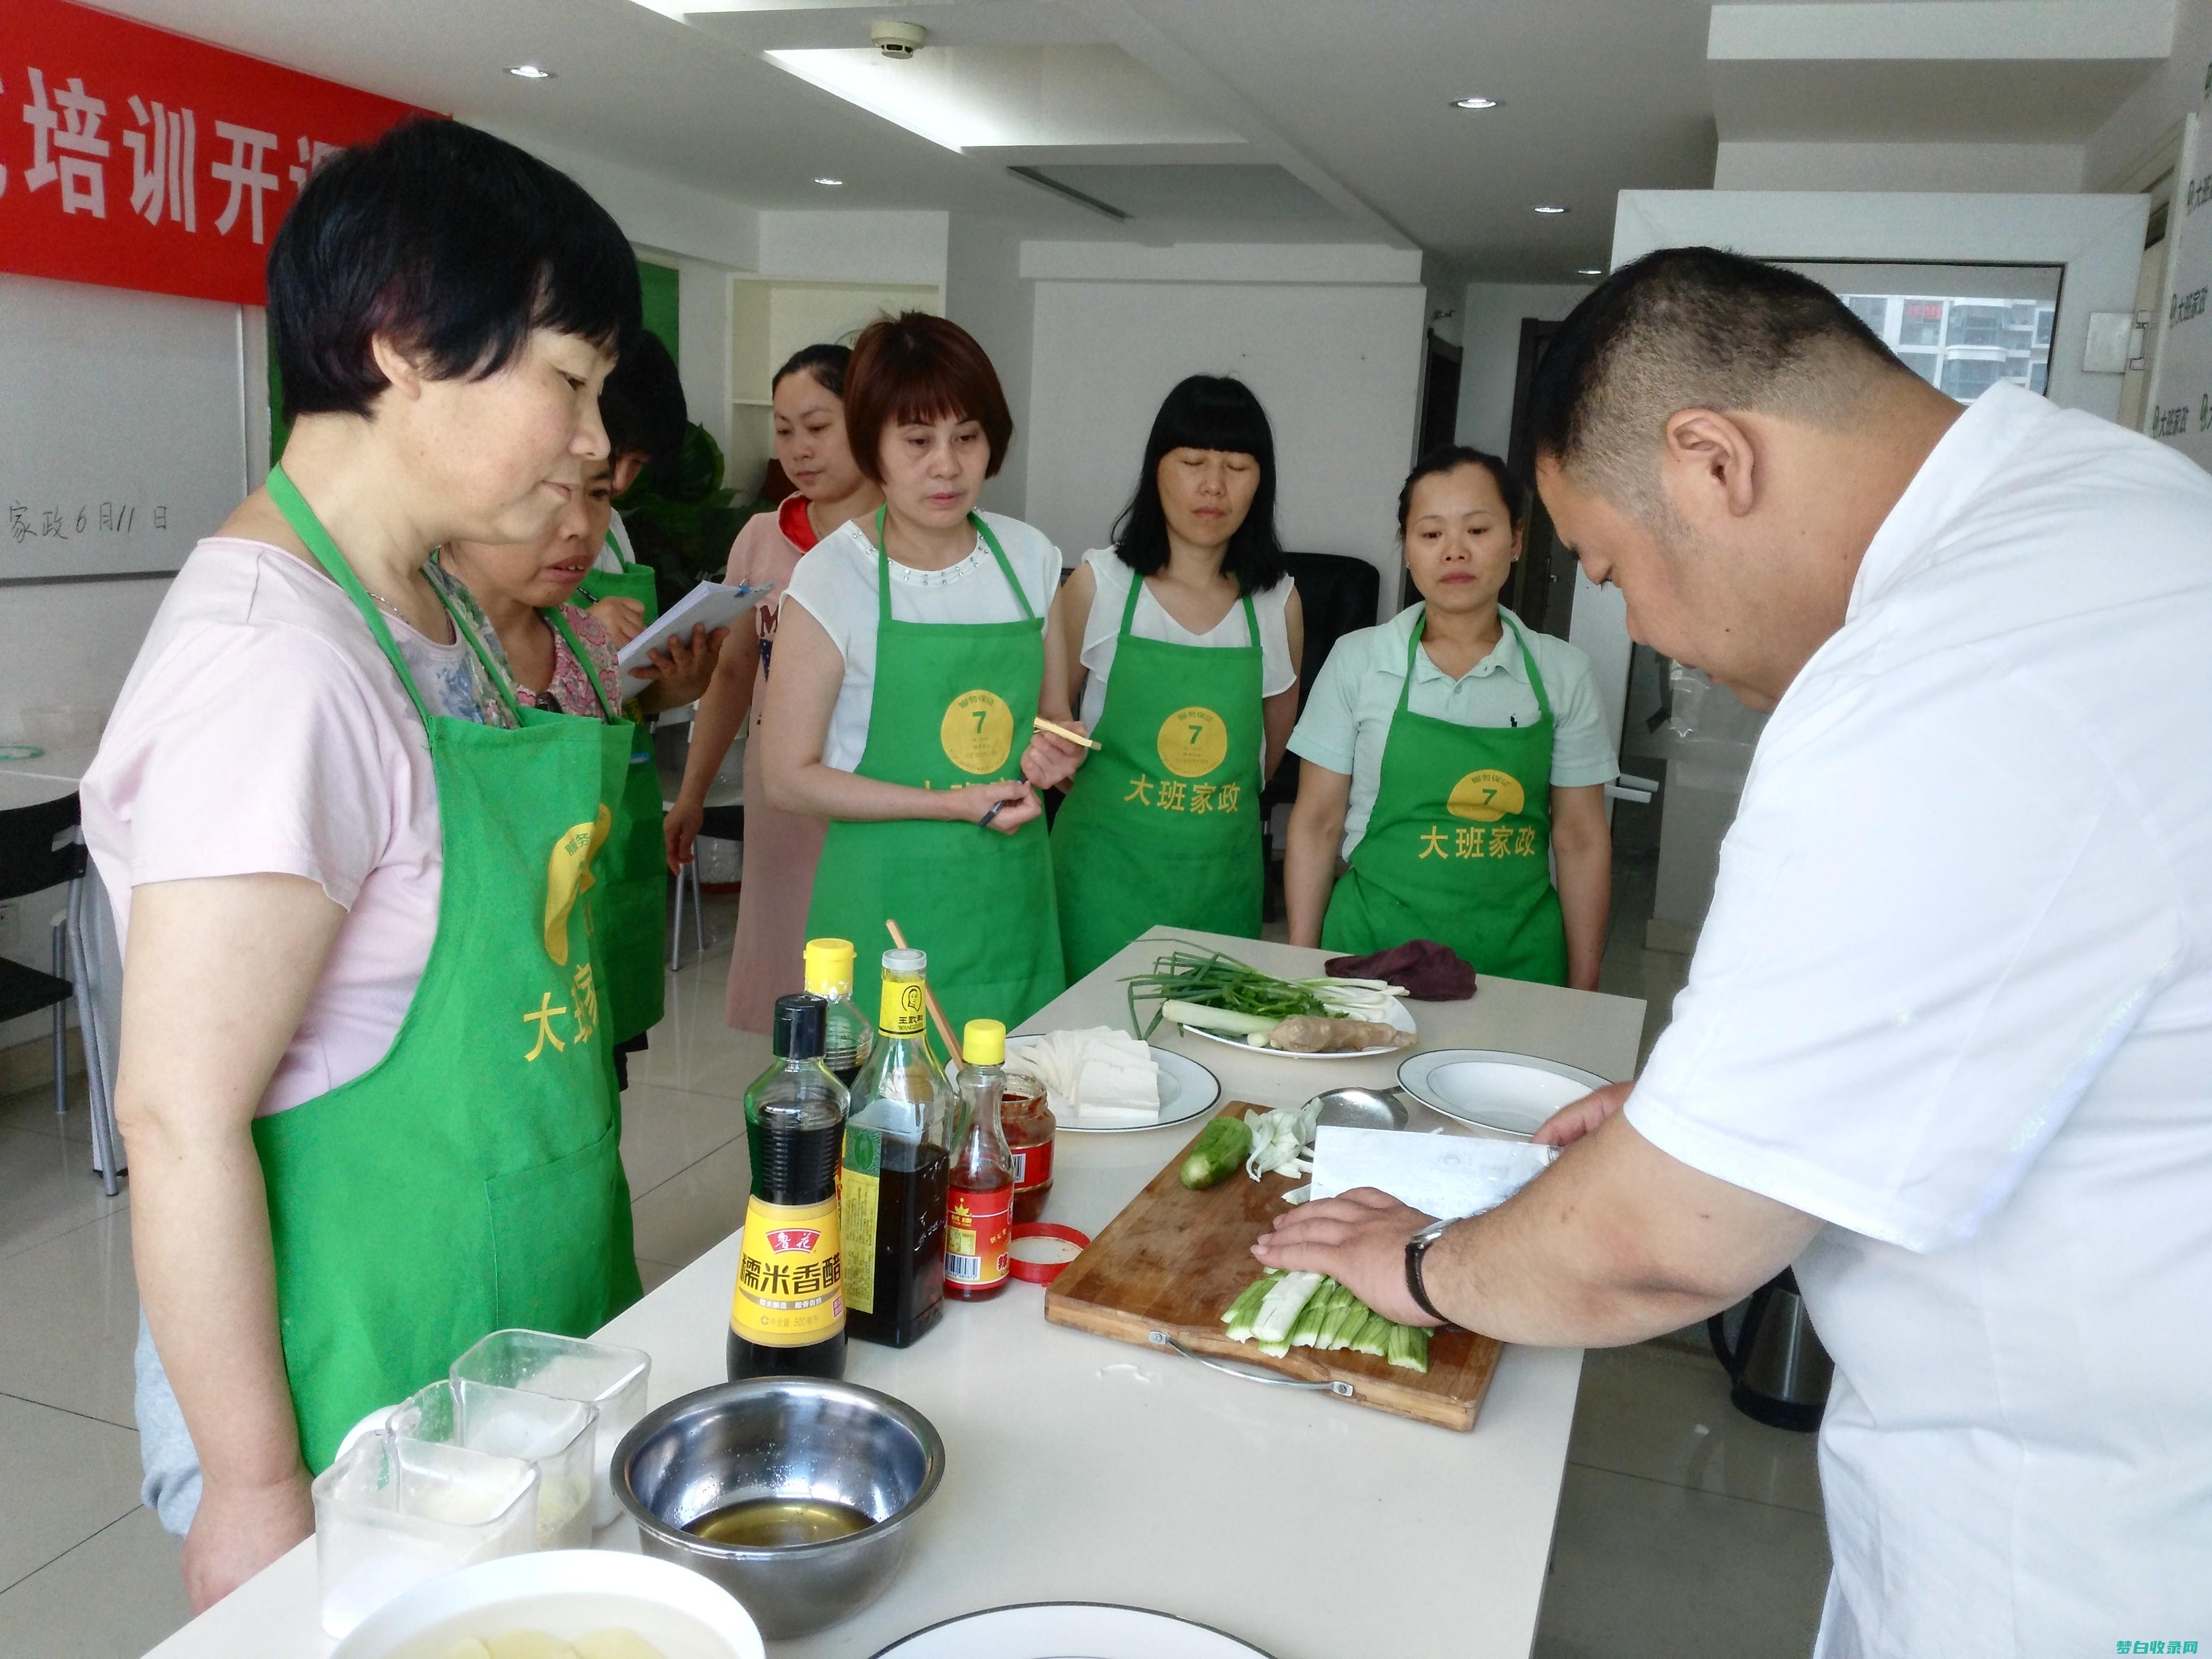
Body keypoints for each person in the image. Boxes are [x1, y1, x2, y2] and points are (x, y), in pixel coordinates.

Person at [1254, 247, 2212, 1656]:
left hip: (2087, 1557)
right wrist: (1698, 1109)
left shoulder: (1935, 682)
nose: (1636, 621)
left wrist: (1422, 1263)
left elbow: (1654, 1248)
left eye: (1613, 564)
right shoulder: (2117, 513)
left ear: (1709, 464)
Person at [80, 119, 644, 1610]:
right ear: (404, 344)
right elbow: (177, 1117)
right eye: (570, 381)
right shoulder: (279, 668)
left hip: (498, 1320)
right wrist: (257, 1493)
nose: (594, 441)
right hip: (358, 1394)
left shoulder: (429, 613)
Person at [756, 312, 1065, 1036]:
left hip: (1007, 900)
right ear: (874, 446)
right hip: (884, 904)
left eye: (968, 437)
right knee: (887, 1130)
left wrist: (1057, 749)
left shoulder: (1031, 560)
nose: (948, 466)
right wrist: (954, 804)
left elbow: (1054, 720)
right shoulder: (832, 577)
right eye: (918, 441)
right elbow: (786, 777)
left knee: (1010, 1119)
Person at [1281, 447, 1614, 987]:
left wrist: (1584, 987)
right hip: (1370, 954)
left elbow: (1579, 836)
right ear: (1407, 549)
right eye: (1431, 534)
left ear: (1516, 540)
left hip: (1517, 965)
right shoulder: (1360, 662)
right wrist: (1297, 965)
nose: (1454, 552)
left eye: (1477, 531)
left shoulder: (1562, 673)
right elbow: (1317, 820)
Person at [440, 451, 723, 1084]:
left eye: (597, 496)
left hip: (575, 967)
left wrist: (672, 688)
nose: (579, 528)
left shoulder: (586, 641)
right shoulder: (422, 650)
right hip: (468, 998)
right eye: (547, 496)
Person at [1027, 376, 1303, 980]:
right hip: (1099, 885)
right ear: (1157, 471)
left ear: (1262, 481)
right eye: (1192, 462)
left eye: (1237, 466)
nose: (1214, 485)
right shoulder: (1100, 585)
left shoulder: (1276, 603)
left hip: (1219, 887)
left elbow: (1266, 757)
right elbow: (1051, 729)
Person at [666, 343, 882, 1032]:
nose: (799, 449)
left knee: (875, 977)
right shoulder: (762, 537)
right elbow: (733, 672)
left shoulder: (906, 538)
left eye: (817, 427)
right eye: (784, 430)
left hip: (873, 787)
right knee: (794, 984)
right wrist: (694, 794)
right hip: (780, 796)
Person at [577, 328, 688, 648]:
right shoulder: (505, 531)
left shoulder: (614, 528)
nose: (620, 482)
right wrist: (584, 633)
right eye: (613, 456)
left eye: (638, 463)